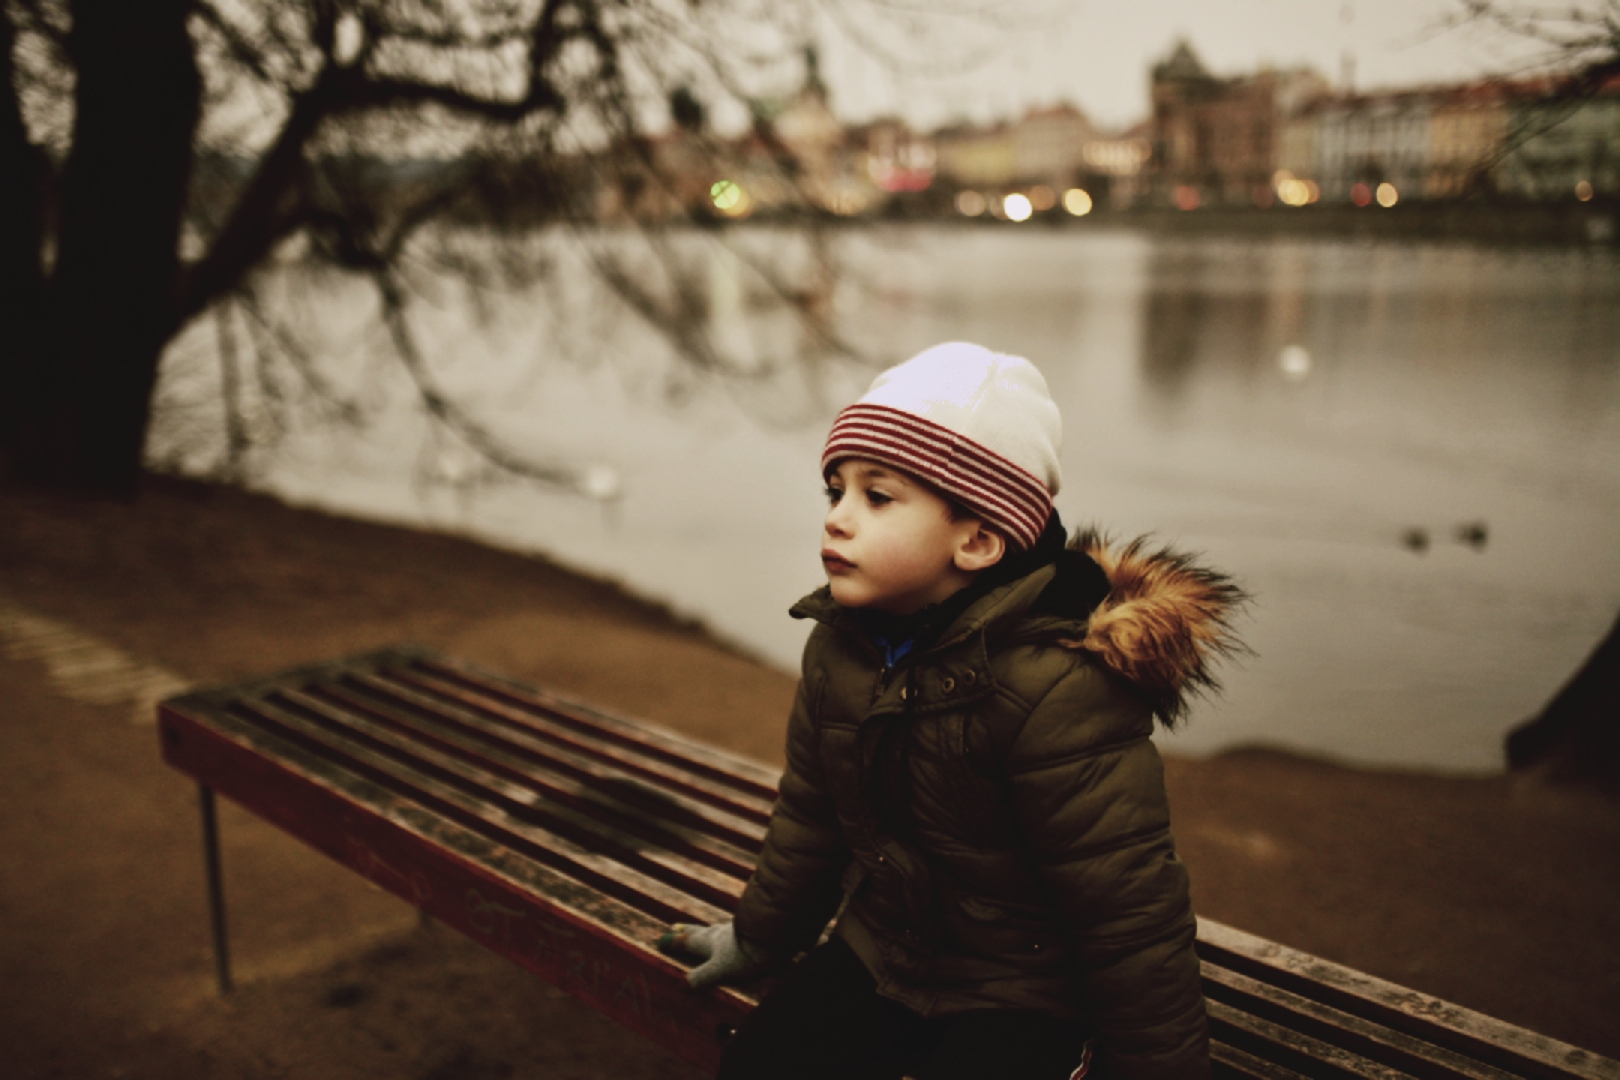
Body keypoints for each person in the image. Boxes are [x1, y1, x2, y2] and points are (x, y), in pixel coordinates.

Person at [658, 342, 1245, 1080]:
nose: (838, 519)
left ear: (977, 539)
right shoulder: (843, 651)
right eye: (835, 491)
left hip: (1022, 989)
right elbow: (811, 816)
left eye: (877, 497)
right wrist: (760, 939)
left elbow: (1127, 910)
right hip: (882, 950)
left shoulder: (1056, 690)